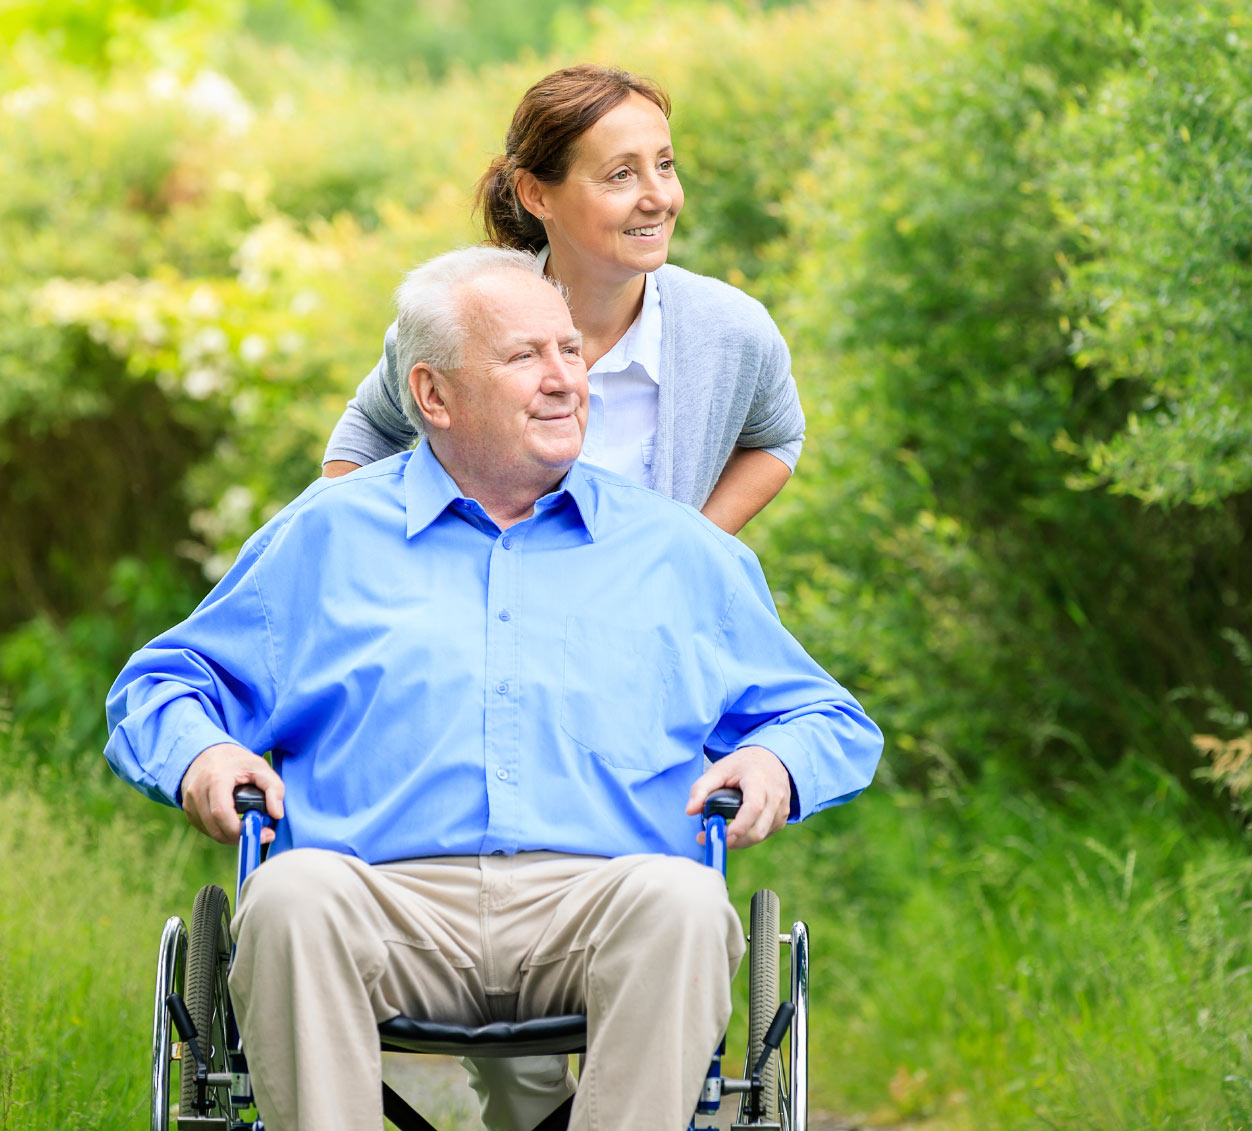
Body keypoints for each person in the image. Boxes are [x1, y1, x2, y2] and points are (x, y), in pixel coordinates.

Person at [105, 247, 882, 1131]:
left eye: (569, 351)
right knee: (289, 896)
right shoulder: (327, 536)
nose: (565, 381)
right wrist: (203, 752)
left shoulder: (674, 551)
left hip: (602, 897)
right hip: (378, 894)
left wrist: (775, 760)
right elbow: (163, 683)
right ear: (433, 396)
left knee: (685, 901)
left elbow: (826, 715)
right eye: (525, 358)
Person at [323, 64, 801, 537]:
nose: (659, 197)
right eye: (620, 175)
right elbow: (370, 426)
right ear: (537, 194)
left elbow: (777, 437)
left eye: (665, 165)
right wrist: (359, 551)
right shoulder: (461, 320)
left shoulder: (728, 329)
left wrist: (692, 547)